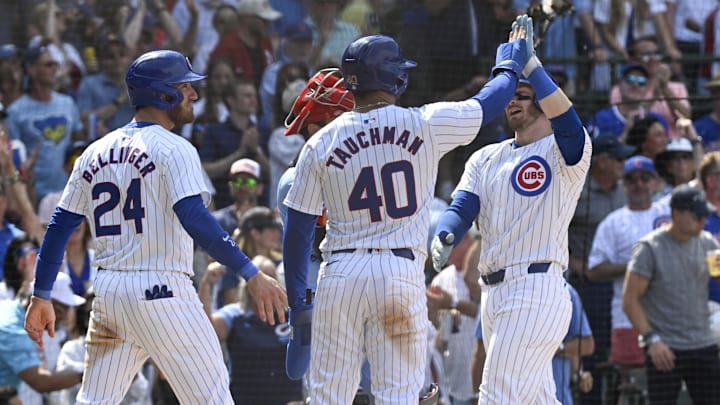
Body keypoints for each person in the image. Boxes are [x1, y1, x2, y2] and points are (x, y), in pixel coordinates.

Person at [281, 12, 532, 402]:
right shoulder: (424, 122)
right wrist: (511, 63)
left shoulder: (320, 142)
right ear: (395, 78)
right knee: (397, 396)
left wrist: (299, 304)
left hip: (340, 273)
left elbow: (296, 232)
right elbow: (489, 102)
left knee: (328, 397)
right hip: (398, 272)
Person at [23, 49, 287, 404]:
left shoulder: (93, 151)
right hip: (162, 291)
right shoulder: (175, 148)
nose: (193, 94)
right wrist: (251, 273)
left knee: (95, 401)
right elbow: (194, 218)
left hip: (110, 293)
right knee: (213, 399)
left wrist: (41, 293)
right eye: (184, 86)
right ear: (162, 93)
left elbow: (59, 225)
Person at [431, 16, 592, 403]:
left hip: (536, 286)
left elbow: (568, 125)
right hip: (494, 292)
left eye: (523, 94)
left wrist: (531, 66)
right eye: (511, 95)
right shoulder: (486, 156)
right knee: (535, 397)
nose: (514, 101)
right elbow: (463, 203)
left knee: (497, 395)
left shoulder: (565, 150)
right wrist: (445, 232)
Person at [623, 184, 720, 404]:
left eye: (704, 215)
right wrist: (651, 339)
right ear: (676, 213)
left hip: (702, 344)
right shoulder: (649, 248)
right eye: (696, 216)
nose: (703, 221)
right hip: (664, 349)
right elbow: (629, 301)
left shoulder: (707, 243)